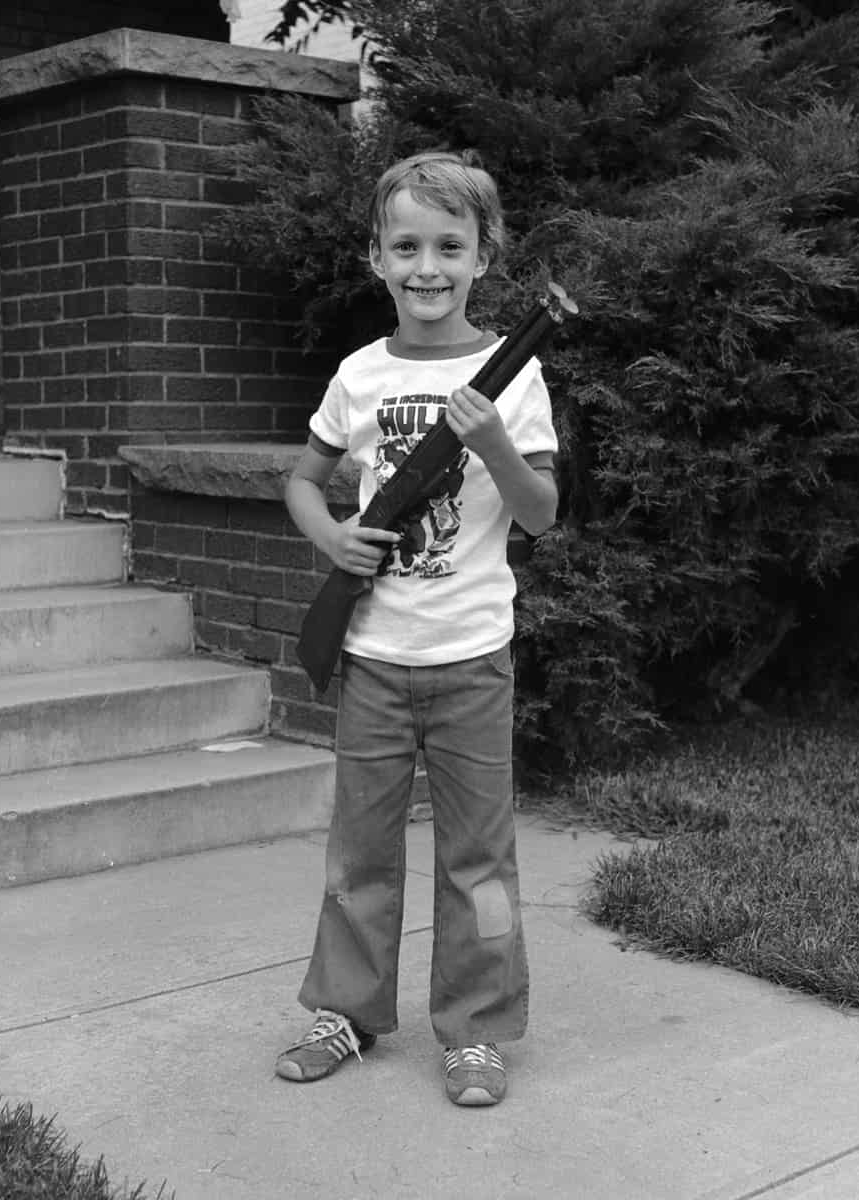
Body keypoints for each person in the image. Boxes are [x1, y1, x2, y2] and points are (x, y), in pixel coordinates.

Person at [275, 150, 559, 1107]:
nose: (427, 265)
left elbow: (541, 514)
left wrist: (491, 444)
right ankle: (346, 1014)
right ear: (377, 257)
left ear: (485, 257)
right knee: (360, 854)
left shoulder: (514, 378)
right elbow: (302, 481)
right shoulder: (360, 373)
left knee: (479, 859)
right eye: (407, 245)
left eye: (450, 245)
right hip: (373, 661)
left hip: (473, 659)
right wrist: (334, 539)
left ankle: (476, 1031)